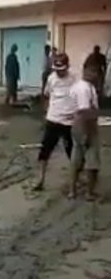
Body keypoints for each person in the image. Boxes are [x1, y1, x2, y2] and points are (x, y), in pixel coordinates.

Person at [33, 53, 75, 191]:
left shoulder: (74, 79)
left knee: (72, 152)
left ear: (67, 67)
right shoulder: (51, 79)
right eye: (57, 69)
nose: (59, 72)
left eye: (61, 69)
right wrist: (46, 112)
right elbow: (46, 95)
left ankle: (76, 181)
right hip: (53, 119)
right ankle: (40, 180)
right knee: (44, 151)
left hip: (69, 122)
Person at [69, 65, 100, 200]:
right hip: (86, 125)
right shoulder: (85, 89)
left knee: (76, 158)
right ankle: (88, 192)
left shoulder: (80, 86)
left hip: (78, 125)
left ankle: (73, 191)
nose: (97, 76)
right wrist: (86, 133)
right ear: (87, 72)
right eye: (95, 72)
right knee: (91, 161)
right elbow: (84, 112)